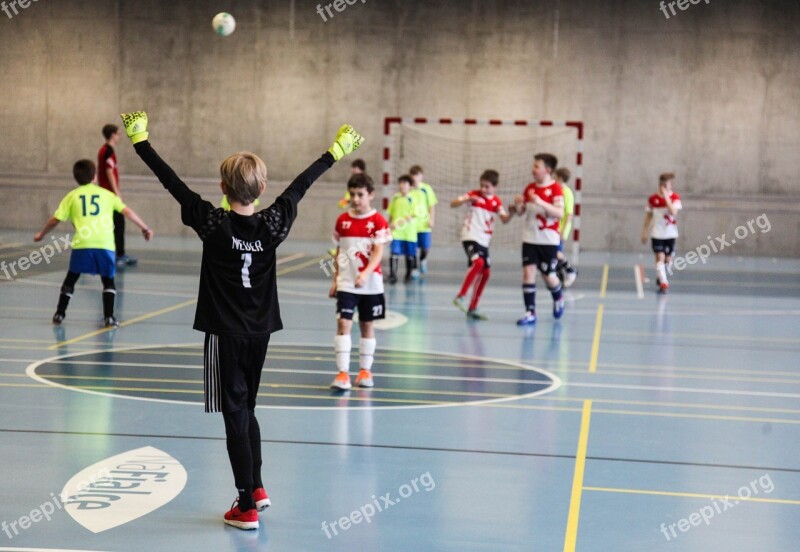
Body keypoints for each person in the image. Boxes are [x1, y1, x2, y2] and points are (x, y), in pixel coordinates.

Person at [120, 111, 363, 531]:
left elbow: (171, 182)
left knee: (235, 413)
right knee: (247, 406)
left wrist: (140, 140)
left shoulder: (212, 222)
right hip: (261, 330)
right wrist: (335, 151)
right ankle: (259, 486)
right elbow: (301, 186)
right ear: (262, 188)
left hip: (225, 333)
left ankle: (246, 504)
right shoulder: (274, 223)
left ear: (222, 188)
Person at [34, 159, 153, 327]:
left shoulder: (72, 196)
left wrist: (42, 233)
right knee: (108, 281)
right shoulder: (107, 195)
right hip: (104, 244)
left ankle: (60, 313)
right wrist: (145, 227)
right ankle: (109, 317)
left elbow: (55, 219)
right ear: (94, 176)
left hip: (83, 243)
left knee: (71, 279)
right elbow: (127, 211)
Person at [328, 173, 390, 390]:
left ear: (371, 195)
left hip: (371, 285)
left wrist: (365, 273)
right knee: (343, 323)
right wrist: (336, 279)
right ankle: (343, 374)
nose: (355, 199)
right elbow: (339, 252)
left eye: (360, 195)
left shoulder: (378, 221)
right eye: (352, 194)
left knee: (366, 325)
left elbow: (378, 252)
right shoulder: (342, 221)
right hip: (346, 283)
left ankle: (365, 371)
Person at [451, 170, 513, 320]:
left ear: (495, 187)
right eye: (482, 186)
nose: (484, 189)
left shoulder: (496, 202)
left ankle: (473, 308)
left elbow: (504, 219)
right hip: (470, 236)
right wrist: (465, 200)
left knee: (486, 273)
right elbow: (453, 203)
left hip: (484, 240)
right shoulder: (474, 194)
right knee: (478, 262)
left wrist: (512, 212)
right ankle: (461, 296)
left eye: (487, 186)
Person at [513, 153, 565, 326]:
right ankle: (530, 312)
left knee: (549, 276)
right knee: (528, 273)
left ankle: (558, 297)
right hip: (530, 238)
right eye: (533, 166)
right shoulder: (529, 188)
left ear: (547, 170)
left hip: (548, 240)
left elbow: (559, 213)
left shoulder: (556, 189)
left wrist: (541, 202)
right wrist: (518, 205)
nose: (533, 169)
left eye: (537, 166)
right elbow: (522, 212)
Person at [97, 124, 137, 266]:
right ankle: (119, 254)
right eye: (118, 134)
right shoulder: (108, 151)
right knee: (118, 223)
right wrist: (117, 192)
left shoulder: (104, 150)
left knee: (107, 224)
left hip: (105, 194)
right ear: (112, 135)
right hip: (109, 195)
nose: (120, 137)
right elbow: (108, 172)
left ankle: (101, 252)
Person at [641, 173, 682, 293]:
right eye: (661, 184)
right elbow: (648, 216)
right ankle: (664, 282)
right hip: (657, 233)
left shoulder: (675, 198)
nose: (663, 187)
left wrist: (666, 197)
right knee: (660, 256)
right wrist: (644, 232)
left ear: (670, 185)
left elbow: (673, 212)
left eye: (666, 185)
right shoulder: (653, 199)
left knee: (668, 260)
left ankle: (661, 276)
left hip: (670, 234)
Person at [327, 159, 367, 257]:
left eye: (355, 168)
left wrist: (347, 200)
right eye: (352, 168)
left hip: (360, 211)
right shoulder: (353, 181)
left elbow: (356, 195)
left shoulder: (363, 181)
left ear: (360, 169)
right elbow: (349, 194)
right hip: (352, 209)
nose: (352, 170)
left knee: (356, 231)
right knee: (345, 229)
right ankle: (340, 249)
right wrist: (345, 201)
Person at [387, 174, 419, 284]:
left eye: (405, 183)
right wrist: (389, 225)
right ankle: (393, 275)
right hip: (396, 232)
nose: (402, 186)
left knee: (409, 255)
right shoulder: (395, 197)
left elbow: (413, 214)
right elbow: (391, 213)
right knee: (394, 253)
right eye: (400, 183)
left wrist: (399, 223)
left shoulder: (413, 198)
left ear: (409, 186)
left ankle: (408, 274)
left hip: (409, 232)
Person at [409, 165, 438, 276]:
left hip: (424, 224)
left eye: (417, 175)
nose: (414, 177)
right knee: (413, 248)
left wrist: (432, 219)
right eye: (413, 175)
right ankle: (414, 268)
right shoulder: (409, 189)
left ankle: (423, 259)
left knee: (425, 247)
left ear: (421, 176)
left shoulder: (426, 189)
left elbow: (432, 206)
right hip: (412, 225)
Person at [554, 167, 578, 287]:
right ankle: (559, 278)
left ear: (560, 178)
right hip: (553, 228)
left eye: (555, 177)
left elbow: (569, 214)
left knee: (556, 252)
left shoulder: (567, 193)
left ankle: (570, 270)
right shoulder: (556, 191)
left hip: (561, 229)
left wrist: (563, 232)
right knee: (553, 255)